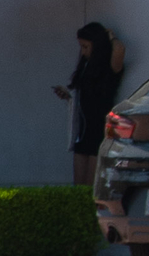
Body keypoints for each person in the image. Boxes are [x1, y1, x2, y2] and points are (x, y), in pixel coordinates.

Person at [54, 21, 126, 187]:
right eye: (81, 47)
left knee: (92, 186)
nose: (83, 51)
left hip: (100, 131)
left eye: (86, 46)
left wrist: (111, 37)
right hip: (83, 131)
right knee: (79, 186)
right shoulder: (86, 67)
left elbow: (120, 49)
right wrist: (68, 96)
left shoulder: (109, 66)